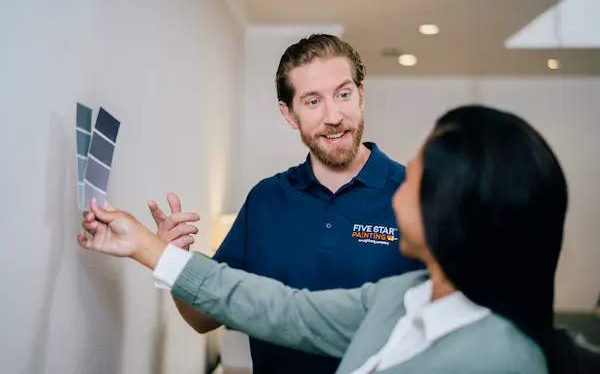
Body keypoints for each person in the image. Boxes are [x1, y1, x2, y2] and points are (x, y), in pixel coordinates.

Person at [79, 104, 567, 373]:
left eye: (416, 176)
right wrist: (148, 246)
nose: (399, 187)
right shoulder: (400, 299)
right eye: (313, 101)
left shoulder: (501, 359)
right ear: (290, 114)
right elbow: (279, 308)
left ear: (454, 210)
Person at [146, 34, 424, 373]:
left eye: (344, 94)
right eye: (312, 101)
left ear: (361, 95)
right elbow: (204, 318)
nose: (333, 115)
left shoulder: (416, 195)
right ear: (289, 113)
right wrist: (173, 259)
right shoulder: (265, 200)